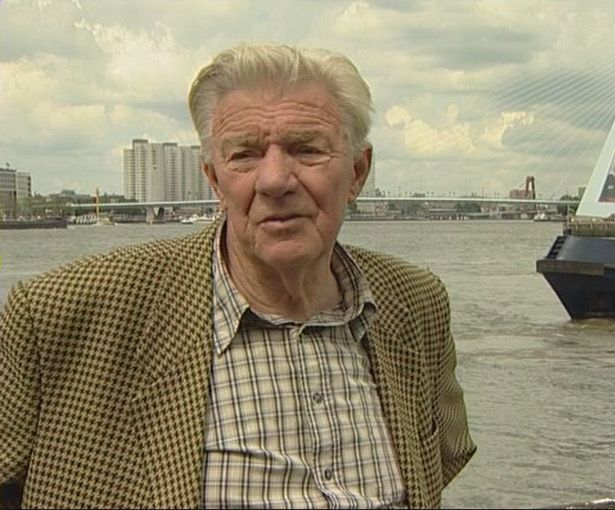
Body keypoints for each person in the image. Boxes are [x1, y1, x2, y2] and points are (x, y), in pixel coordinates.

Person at [0, 43, 475, 509]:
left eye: (306, 149)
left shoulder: (414, 302)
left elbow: (441, 459)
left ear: (357, 172)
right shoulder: (61, 315)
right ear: (214, 178)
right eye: (245, 155)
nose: (274, 180)